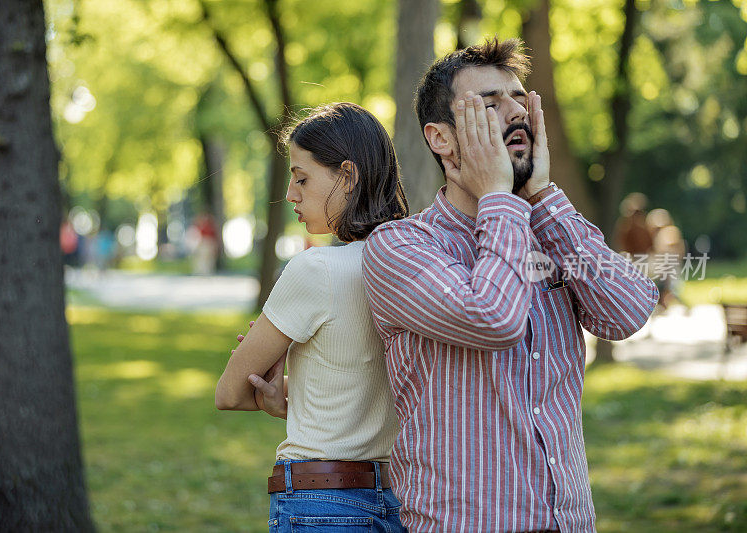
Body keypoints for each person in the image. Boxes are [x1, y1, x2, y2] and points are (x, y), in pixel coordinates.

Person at [361, 37, 659, 531]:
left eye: (519, 99)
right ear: (441, 138)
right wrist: (499, 193)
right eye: (490, 104)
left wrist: (541, 195)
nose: (516, 113)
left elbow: (629, 312)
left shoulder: (550, 232)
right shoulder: (399, 248)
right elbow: (494, 317)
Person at [215, 103, 409, 532]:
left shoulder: (316, 270)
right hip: (399, 503)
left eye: (302, 178)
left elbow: (229, 392)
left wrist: (275, 392)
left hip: (320, 503)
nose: (290, 194)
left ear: (348, 175)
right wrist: (291, 396)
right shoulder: (414, 266)